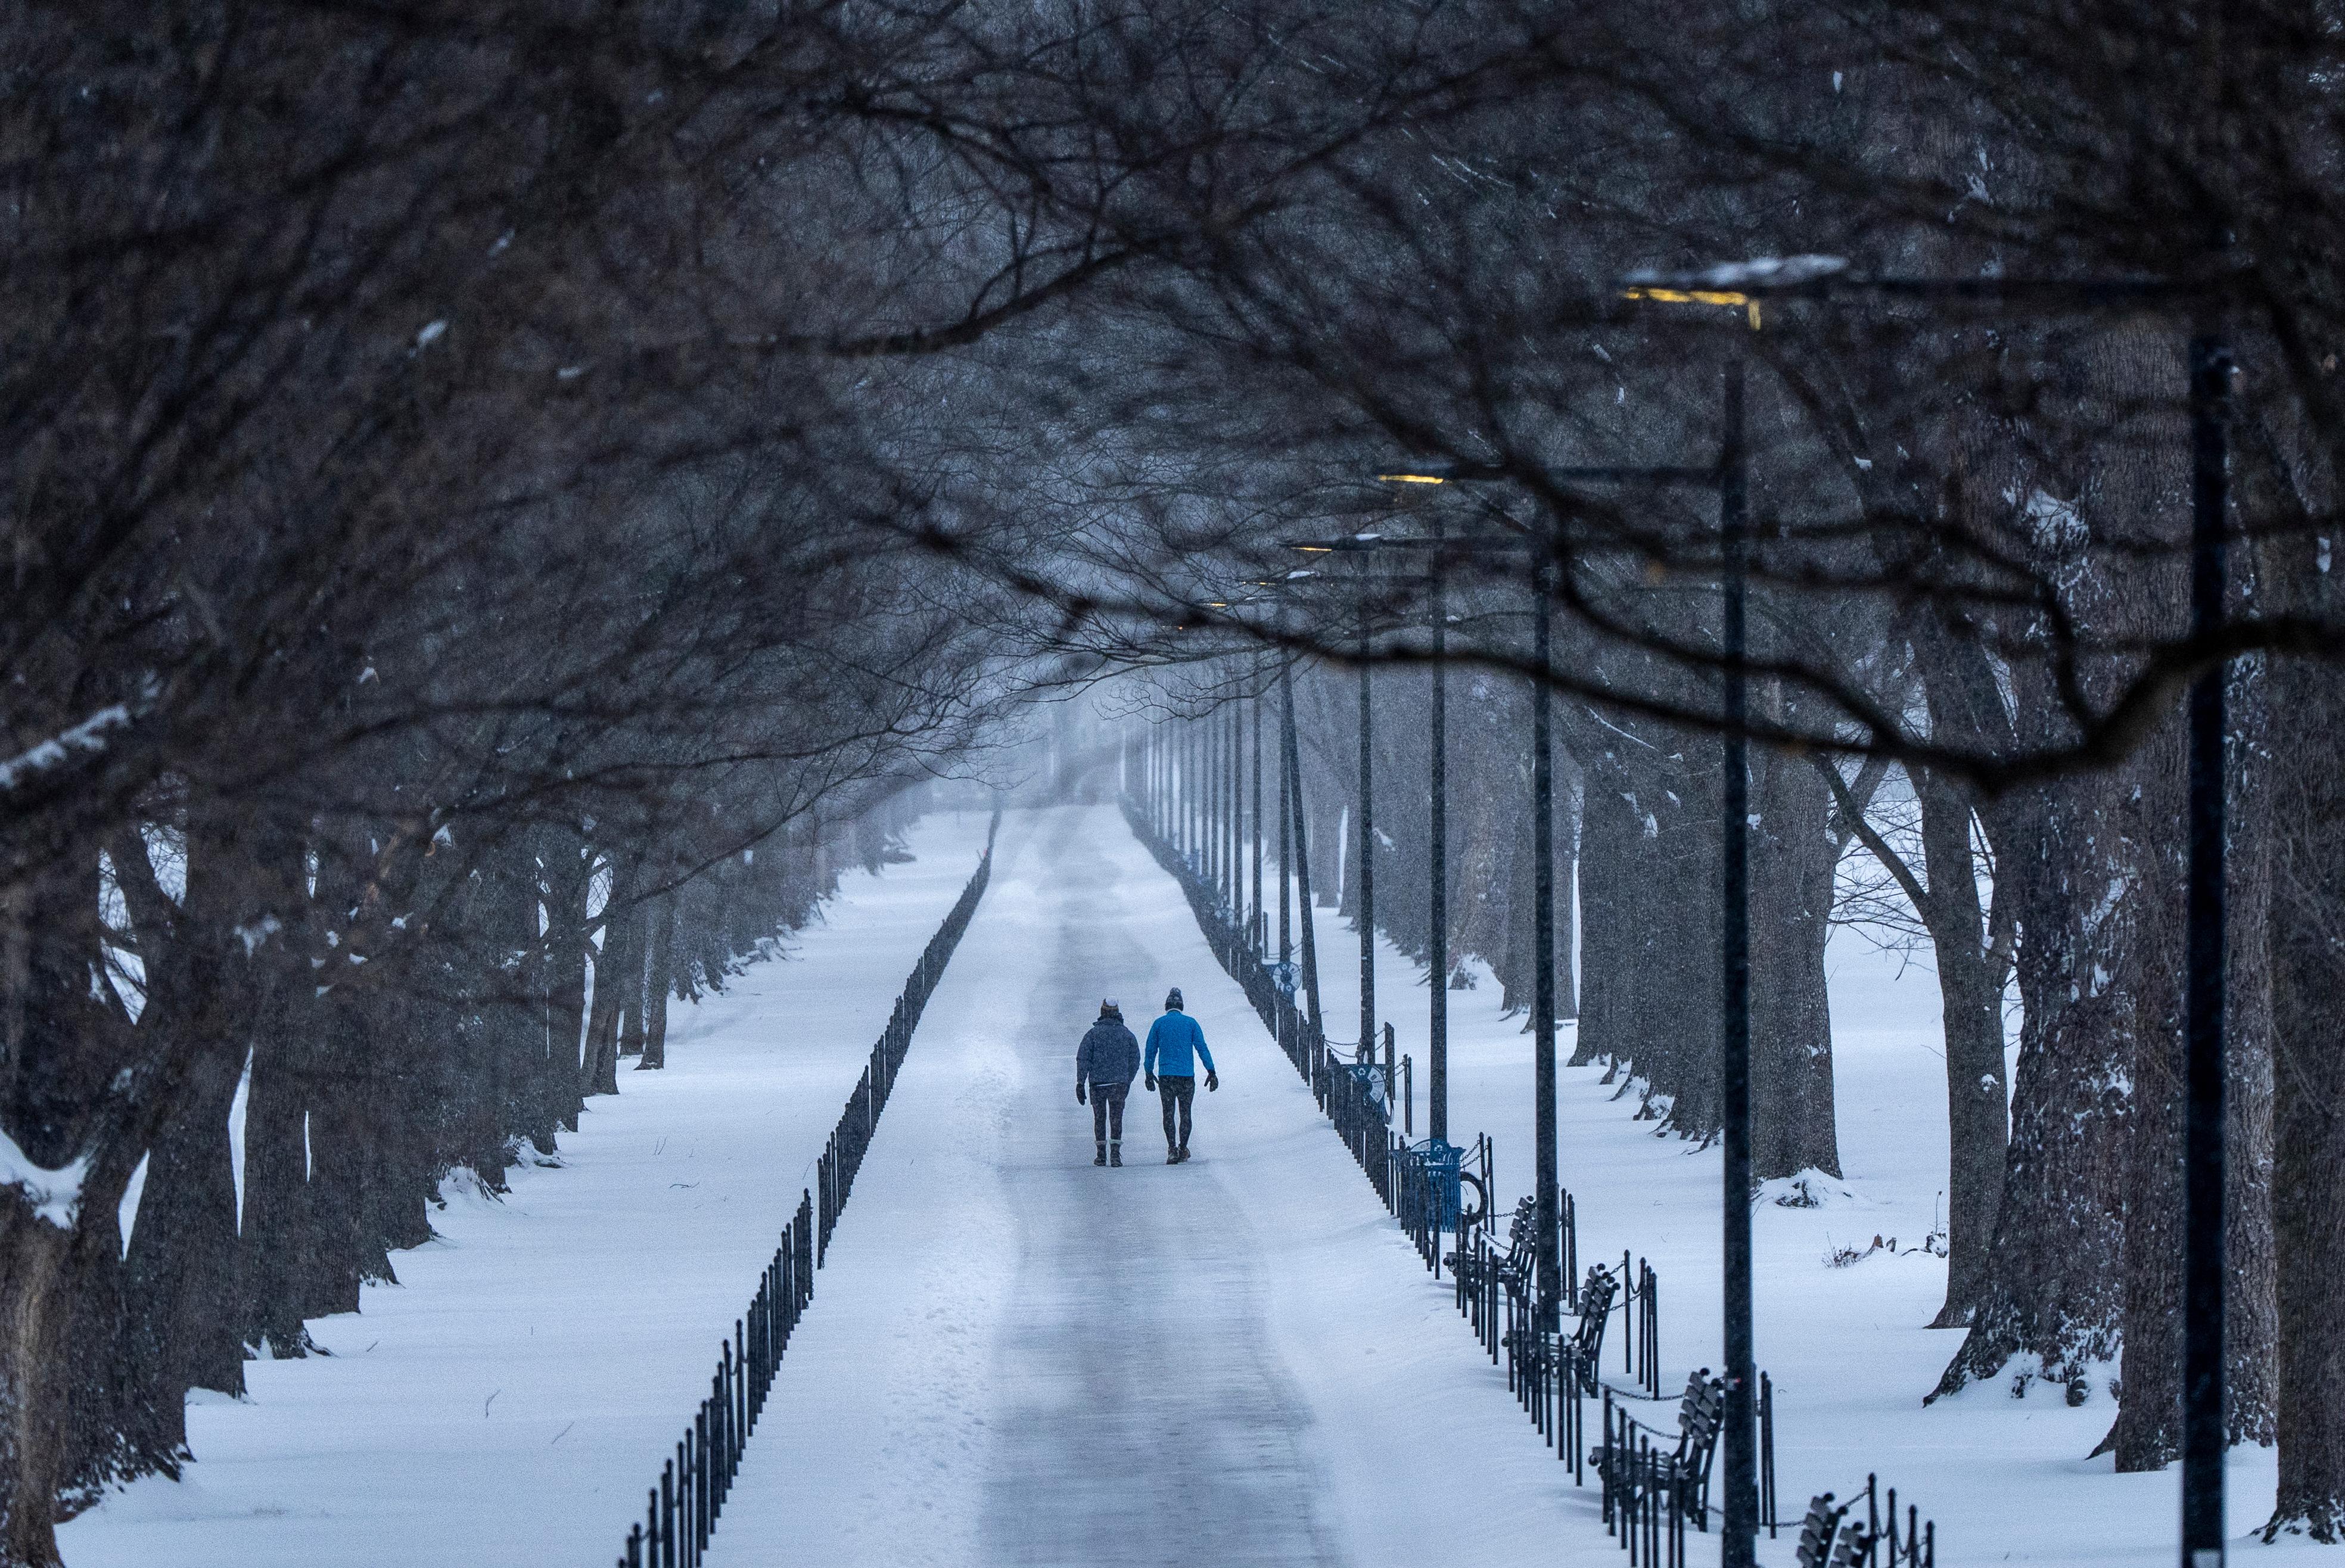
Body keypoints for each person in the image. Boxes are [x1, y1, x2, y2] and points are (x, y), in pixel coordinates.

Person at [1143, 987, 1218, 1163]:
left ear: (1166, 1006)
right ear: (1182, 1006)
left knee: (1168, 1113)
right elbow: (1202, 1048)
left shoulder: (1159, 1024)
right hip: (1186, 1076)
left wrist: (1148, 1072)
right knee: (1186, 1113)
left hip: (1166, 1076)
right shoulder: (1191, 1024)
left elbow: (1150, 1050)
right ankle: (1183, 1148)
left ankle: (1171, 1149)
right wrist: (1211, 1071)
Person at [1075, 999, 1140, 1166]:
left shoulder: (1092, 1035)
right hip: (1119, 1083)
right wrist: (1127, 1079)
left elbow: (1083, 1059)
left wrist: (1081, 1082)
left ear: (1102, 1012)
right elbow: (1135, 1059)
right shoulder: (1127, 1034)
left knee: (1100, 1118)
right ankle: (1116, 1155)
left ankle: (1101, 1155)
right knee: (1116, 1118)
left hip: (1097, 1084)